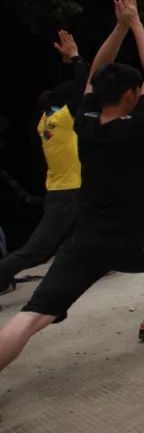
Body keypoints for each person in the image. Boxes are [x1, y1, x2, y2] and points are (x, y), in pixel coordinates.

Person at [0, 0, 144, 372]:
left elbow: (94, 72)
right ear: (130, 96)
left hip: (84, 243)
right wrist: (135, 23)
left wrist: (119, 28)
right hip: (135, 245)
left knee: (33, 315)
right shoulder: (139, 125)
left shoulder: (83, 121)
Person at [0, 31, 87, 294]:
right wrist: (75, 58)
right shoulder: (62, 118)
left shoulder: (45, 121)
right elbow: (84, 86)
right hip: (68, 192)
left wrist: (65, 64)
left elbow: (62, 90)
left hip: (64, 191)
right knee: (35, 252)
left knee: (89, 230)